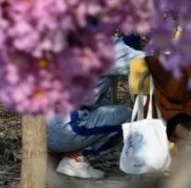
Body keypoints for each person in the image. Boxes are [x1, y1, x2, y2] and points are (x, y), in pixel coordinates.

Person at [47, 34, 146, 179]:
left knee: (101, 102)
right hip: (64, 129)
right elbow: (146, 63)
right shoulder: (107, 46)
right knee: (126, 115)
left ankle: (55, 154)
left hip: (40, 128)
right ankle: (75, 160)